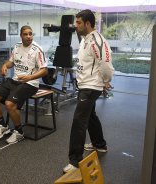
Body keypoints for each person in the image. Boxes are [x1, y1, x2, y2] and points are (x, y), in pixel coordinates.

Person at [63, 9, 114, 173]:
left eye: (78, 23)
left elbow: (106, 64)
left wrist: (106, 81)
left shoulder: (97, 41)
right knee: (90, 116)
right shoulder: (85, 38)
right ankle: (100, 144)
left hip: (91, 87)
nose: (76, 25)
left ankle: (75, 161)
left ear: (88, 23)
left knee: (79, 121)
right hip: (85, 84)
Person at [0, 25, 48, 144]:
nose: (28, 36)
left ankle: (19, 132)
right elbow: (11, 62)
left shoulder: (37, 49)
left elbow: (45, 70)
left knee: (9, 104)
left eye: (30, 34)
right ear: (21, 35)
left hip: (30, 83)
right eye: (25, 34)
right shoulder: (16, 46)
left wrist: (30, 77)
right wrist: (5, 65)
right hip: (14, 80)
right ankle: (3, 126)